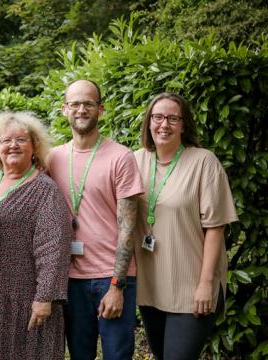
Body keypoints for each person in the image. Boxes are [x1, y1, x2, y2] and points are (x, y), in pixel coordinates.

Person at [133, 92, 237, 359]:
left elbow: (215, 228)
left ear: (184, 124)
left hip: (191, 286)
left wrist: (205, 285)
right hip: (150, 285)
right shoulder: (134, 161)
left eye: (172, 118)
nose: (164, 124)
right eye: (157, 117)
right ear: (148, 122)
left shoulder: (204, 162)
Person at [45, 79, 144, 360]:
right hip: (70, 278)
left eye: (89, 103)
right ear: (64, 109)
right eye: (75, 103)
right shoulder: (53, 158)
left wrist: (117, 285)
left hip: (109, 277)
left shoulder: (120, 157)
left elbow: (128, 227)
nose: (81, 109)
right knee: (79, 354)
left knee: (117, 355)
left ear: (101, 109)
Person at [0, 111, 72, 360]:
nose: (13, 145)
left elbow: (54, 248)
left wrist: (45, 297)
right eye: (6, 140)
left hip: (24, 299)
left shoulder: (45, 190)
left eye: (21, 140)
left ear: (34, 146)